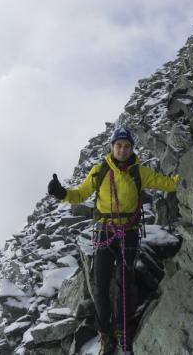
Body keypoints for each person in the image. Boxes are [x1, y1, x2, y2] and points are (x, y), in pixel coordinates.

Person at [47, 127, 179, 354]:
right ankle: (105, 333)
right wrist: (61, 193)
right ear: (111, 147)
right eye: (119, 145)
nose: (122, 149)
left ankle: (121, 329)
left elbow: (166, 183)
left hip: (128, 233)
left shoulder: (139, 172)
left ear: (131, 149)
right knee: (100, 285)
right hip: (105, 232)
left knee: (124, 283)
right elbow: (80, 194)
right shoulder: (99, 171)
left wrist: (184, 176)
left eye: (127, 146)